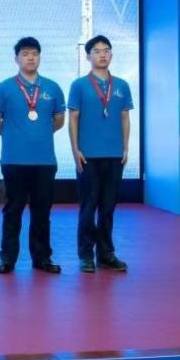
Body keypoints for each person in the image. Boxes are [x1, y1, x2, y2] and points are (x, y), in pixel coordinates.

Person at [0, 37, 66, 275]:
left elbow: (59, 120)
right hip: (14, 160)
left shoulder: (52, 88)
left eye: (34, 53)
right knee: (13, 211)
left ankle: (42, 258)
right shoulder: (3, 88)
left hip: (45, 161)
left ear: (40, 57)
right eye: (25, 54)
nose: (30, 58)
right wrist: (14, 134)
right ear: (16, 59)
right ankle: (8, 259)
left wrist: (38, 134)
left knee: (42, 212)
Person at [68, 35, 133, 273]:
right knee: (88, 207)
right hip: (88, 156)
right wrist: (75, 149)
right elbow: (73, 119)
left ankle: (106, 254)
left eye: (106, 50)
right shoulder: (79, 85)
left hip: (114, 156)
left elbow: (125, 117)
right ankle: (86, 254)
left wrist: (125, 147)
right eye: (96, 51)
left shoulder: (122, 85)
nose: (102, 54)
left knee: (108, 207)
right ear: (88, 56)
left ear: (111, 55)